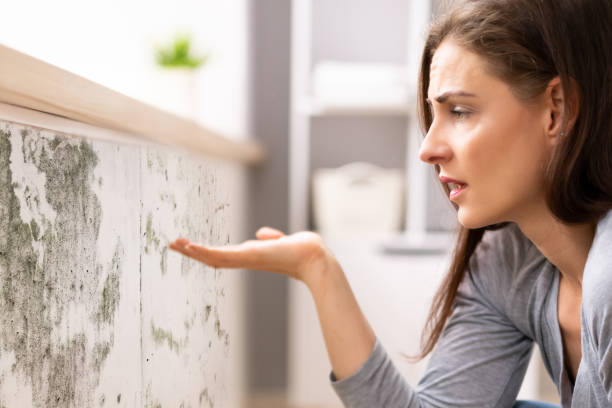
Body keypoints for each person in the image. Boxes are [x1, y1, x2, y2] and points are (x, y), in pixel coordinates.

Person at [170, 0, 612, 406]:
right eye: (432, 116)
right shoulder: (507, 263)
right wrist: (318, 269)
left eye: (459, 111)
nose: (429, 148)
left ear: (557, 109)